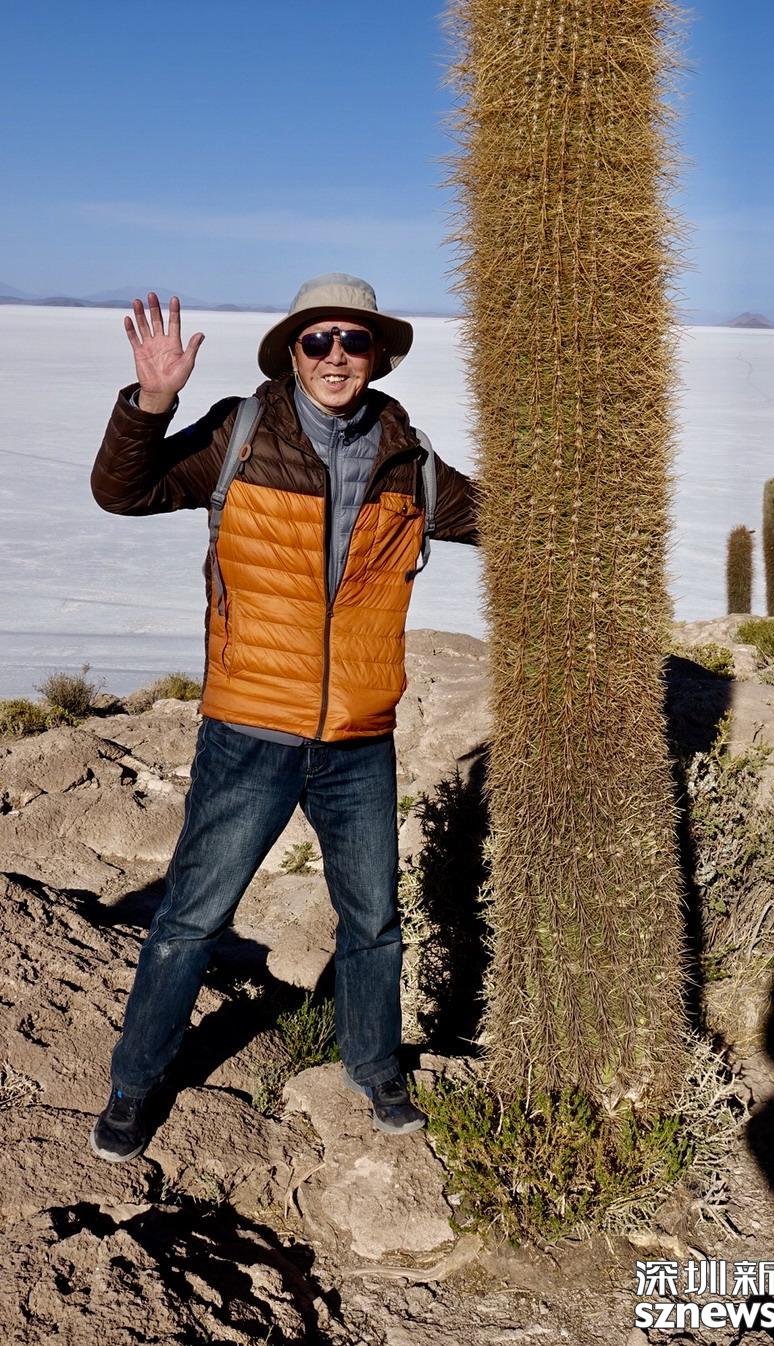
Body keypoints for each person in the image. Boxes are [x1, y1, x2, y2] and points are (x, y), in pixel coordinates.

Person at [88, 274, 479, 1160]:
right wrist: (151, 404)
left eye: (354, 340)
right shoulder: (241, 433)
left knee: (372, 920)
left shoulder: (407, 458)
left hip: (357, 739)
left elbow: (511, 521)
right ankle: (134, 1084)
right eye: (318, 340)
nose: (336, 357)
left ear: (377, 354)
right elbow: (123, 490)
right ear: (293, 352)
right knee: (193, 918)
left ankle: (374, 1068)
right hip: (250, 727)